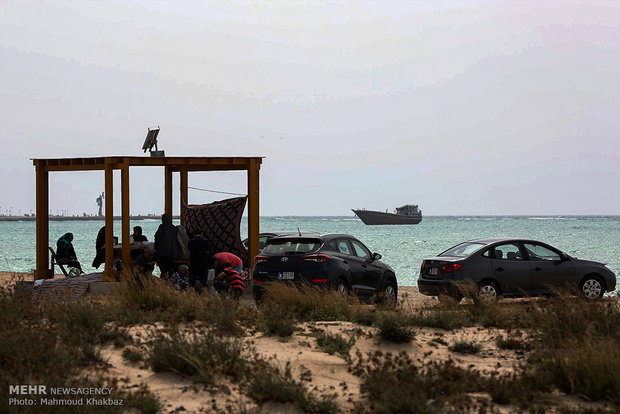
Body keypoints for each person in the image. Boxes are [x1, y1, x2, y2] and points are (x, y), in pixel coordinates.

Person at [154, 213, 178, 279]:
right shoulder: (173, 228)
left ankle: (163, 284)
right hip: (172, 253)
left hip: (162, 253)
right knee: (171, 270)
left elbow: (157, 238)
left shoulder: (162, 227)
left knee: (163, 271)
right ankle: (171, 283)